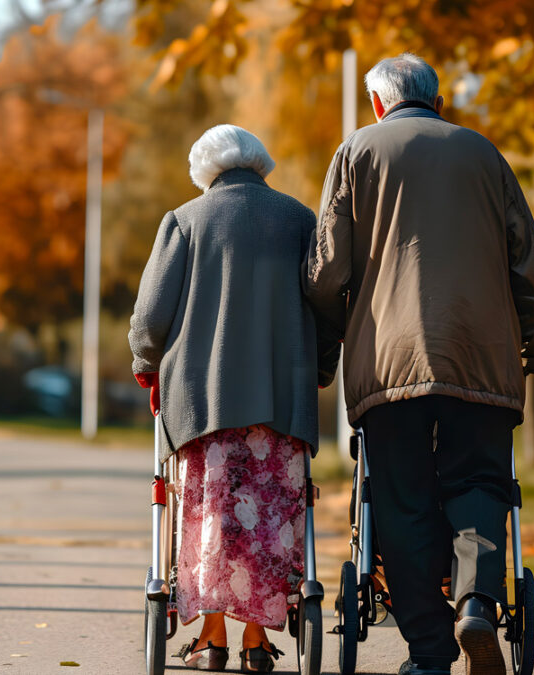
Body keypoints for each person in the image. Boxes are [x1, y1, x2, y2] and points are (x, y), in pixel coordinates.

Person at [304, 54, 534, 675]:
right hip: (480, 355)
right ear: (436, 99)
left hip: (391, 364)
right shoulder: (485, 154)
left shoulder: (357, 154)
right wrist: (533, 343)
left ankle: (430, 649)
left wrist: (329, 346)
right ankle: (476, 599)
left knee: (403, 499)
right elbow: (530, 268)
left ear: (378, 104)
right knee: (480, 481)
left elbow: (326, 271)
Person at [129, 124, 337, 673]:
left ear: (206, 169)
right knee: (270, 517)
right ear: (258, 162)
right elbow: (324, 306)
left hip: (204, 403)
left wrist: (144, 363)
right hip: (281, 400)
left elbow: (151, 319)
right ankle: (254, 641)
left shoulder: (184, 222)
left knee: (212, 515)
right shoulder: (299, 221)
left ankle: (211, 638)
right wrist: (321, 367)